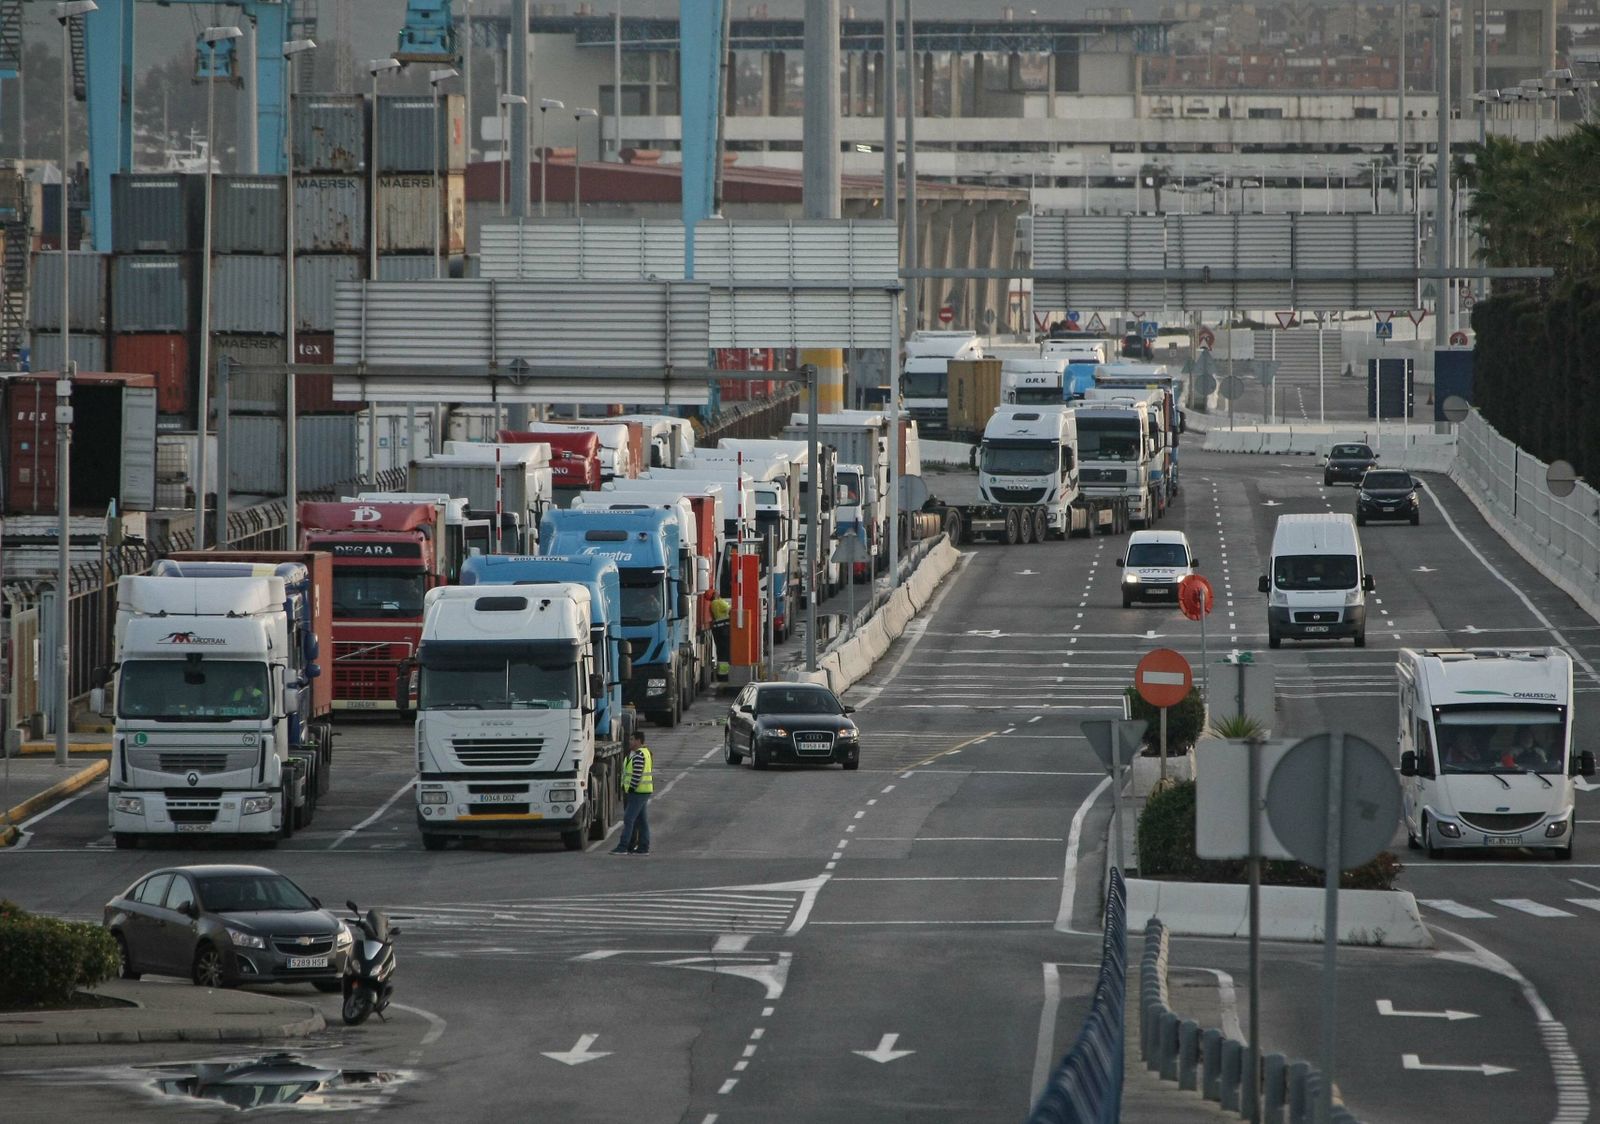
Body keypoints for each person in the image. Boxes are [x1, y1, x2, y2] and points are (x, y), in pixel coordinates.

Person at [611, 730, 653, 855]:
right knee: (642, 821)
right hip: (641, 792)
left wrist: (631, 788)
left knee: (629, 819)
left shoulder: (639, 755)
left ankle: (623, 846)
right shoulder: (637, 753)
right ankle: (642, 848)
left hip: (638, 792)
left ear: (638, 741)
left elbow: (637, 774)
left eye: (632, 739)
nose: (629, 741)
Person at [711, 594, 732, 680]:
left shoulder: (712, 604)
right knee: (725, 653)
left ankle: (722, 675)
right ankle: (724, 675)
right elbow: (728, 608)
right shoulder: (719, 602)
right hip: (724, 628)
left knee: (720, 653)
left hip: (717, 628)